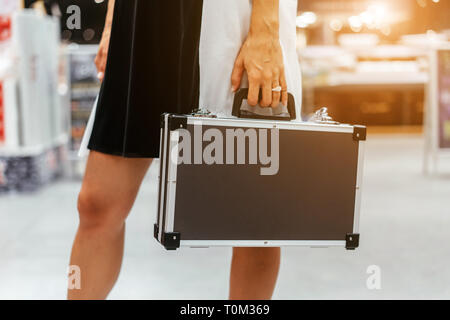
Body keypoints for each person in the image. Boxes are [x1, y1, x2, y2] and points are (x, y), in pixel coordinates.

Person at [68, 0, 302, 300]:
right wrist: (113, 21)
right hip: (143, 16)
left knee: (255, 221)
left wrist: (266, 31)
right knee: (97, 204)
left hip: (231, 14)